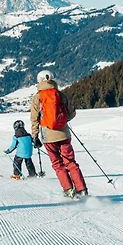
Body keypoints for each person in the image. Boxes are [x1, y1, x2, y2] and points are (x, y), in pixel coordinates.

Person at [31, 70, 88, 198]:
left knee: (57, 164)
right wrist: (62, 121)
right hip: (64, 134)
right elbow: (72, 113)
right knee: (70, 162)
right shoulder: (61, 95)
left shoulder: (37, 98)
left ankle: (68, 190)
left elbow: (34, 119)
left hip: (48, 136)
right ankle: (82, 190)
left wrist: (35, 136)